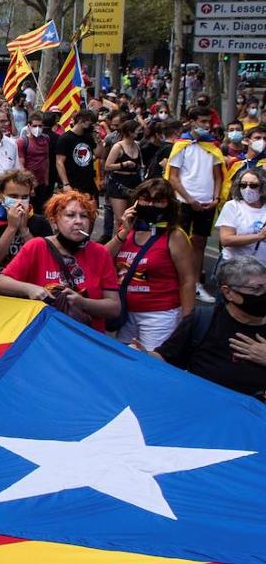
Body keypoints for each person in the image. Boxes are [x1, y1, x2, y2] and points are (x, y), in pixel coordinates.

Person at [0, 190, 121, 330]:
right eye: (70, 215)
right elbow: (0, 283)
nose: (78, 221)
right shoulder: (38, 246)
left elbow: (114, 308)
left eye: (84, 216)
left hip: (87, 339)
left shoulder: (100, 253)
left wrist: (82, 302)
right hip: (47, 338)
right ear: (54, 222)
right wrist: (30, 289)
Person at [153, 256, 266, 402]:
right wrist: (138, 355)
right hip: (204, 411)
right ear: (228, 292)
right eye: (257, 289)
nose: (264, 293)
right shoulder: (203, 320)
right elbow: (167, 358)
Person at [106, 179, 195, 350]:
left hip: (160, 316)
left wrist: (187, 320)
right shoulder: (127, 230)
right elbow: (102, 259)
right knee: (124, 362)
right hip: (126, 314)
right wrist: (123, 232)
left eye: (159, 200)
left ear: (169, 204)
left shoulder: (175, 236)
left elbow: (188, 280)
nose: (151, 204)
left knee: (153, 364)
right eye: (146, 198)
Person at [165, 106, 223, 302]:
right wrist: (189, 199)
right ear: (192, 122)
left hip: (207, 203)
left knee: (200, 243)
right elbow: (173, 177)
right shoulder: (182, 145)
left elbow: (218, 177)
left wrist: (215, 199)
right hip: (184, 202)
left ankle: (197, 284)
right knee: (178, 242)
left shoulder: (213, 146)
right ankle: (175, 281)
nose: (206, 126)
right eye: (202, 122)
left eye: (209, 122)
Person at [216, 166, 266, 266]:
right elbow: (226, 240)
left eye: (253, 185)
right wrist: (259, 236)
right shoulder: (232, 206)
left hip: (261, 268)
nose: (247, 189)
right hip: (234, 266)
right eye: (243, 185)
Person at [104, 119, 144, 235]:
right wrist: (124, 164)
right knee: (121, 219)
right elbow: (107, 166)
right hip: (119, 183)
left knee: (133, 216)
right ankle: (119, 243)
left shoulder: (137, 145)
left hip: (135, 182)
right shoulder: (118, 147)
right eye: (137, 131)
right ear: (130, 132)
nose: (139, 133)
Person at [54, 109, 99, 200]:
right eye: (90, 124)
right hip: (72, 183)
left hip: (88, 183)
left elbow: (98, 154)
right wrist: (66, 184)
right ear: (81, 121)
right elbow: (59, 162)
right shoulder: (65, 139)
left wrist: (98, 140)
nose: (91, 127)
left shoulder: (88, 137)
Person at [17, 110, 52, 209]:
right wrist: (29, 185)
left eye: (40, 126)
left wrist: (46, 180)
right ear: (29, 126)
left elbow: (46, 160)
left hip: (42, 183)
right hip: (29, 184)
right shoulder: (22, 142)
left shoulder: (46, 139)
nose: (38, 128)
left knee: (42, 210)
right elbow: (21, 166)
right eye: (35, 126)